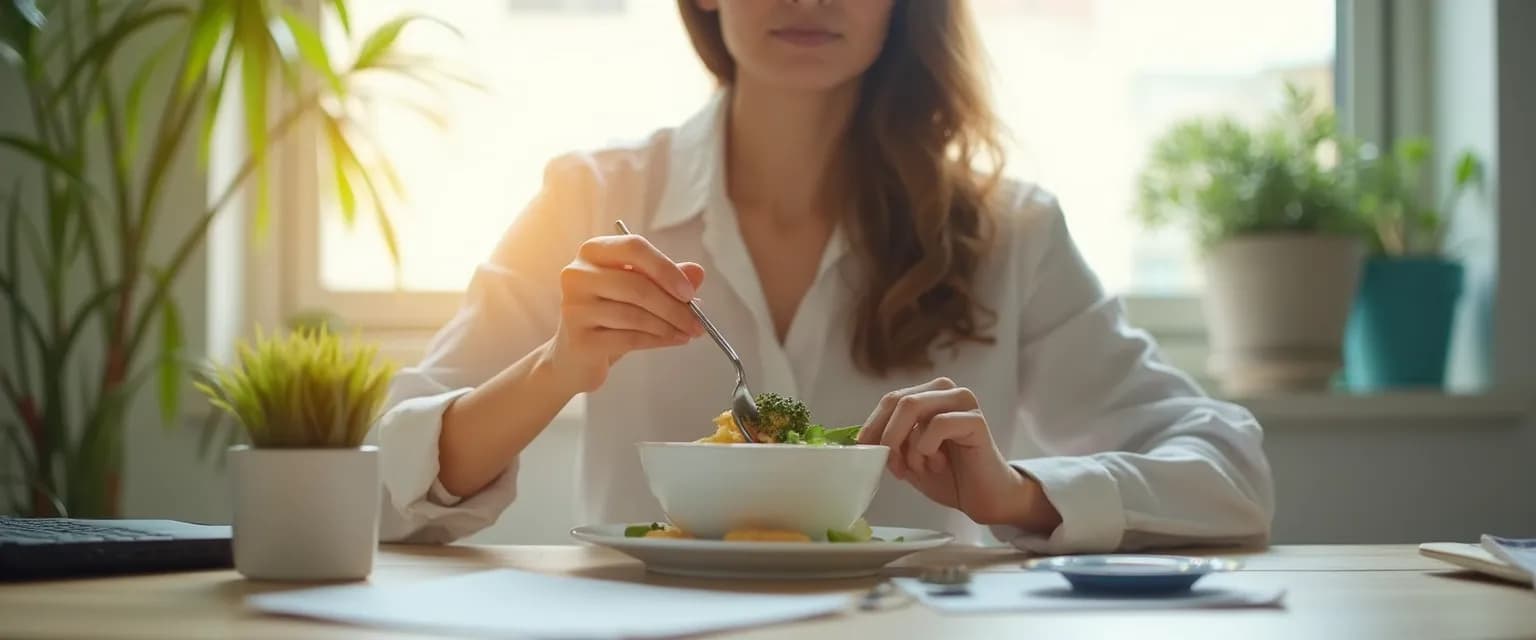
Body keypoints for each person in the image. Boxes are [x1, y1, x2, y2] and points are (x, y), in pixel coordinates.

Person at [372, 0, 1274, 553]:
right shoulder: (591, 198)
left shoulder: (1009, 231)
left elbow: (1230, 473)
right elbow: (380, 488)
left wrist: (1023, 497)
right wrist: (557, 365)